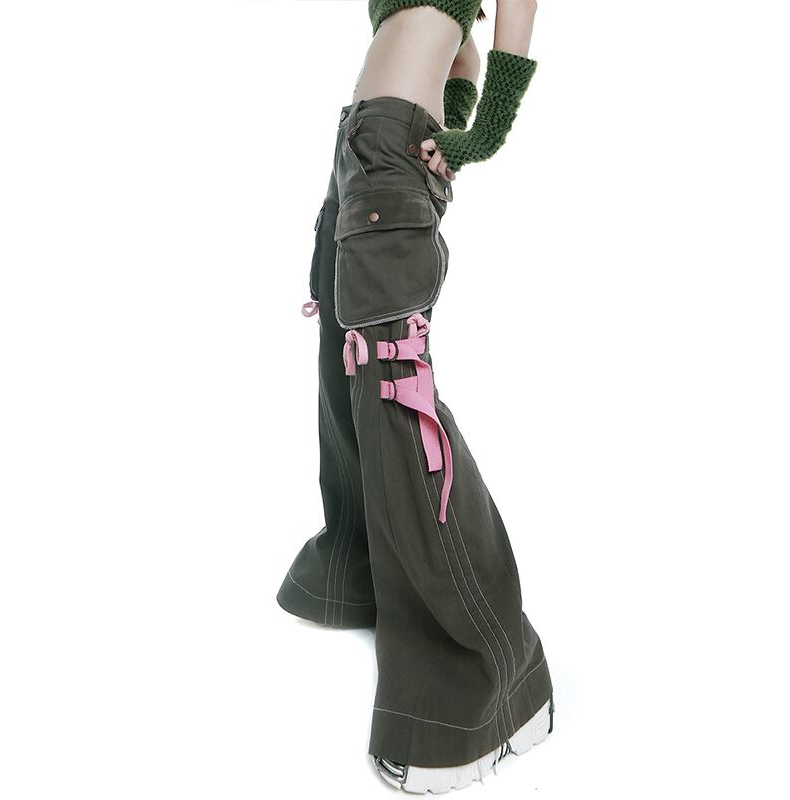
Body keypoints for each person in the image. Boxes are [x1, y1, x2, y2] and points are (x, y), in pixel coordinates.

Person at [276, 0, 554, 792]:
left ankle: (488, 680)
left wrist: (483, 127)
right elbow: (459, 53)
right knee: (343, 372)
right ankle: (364, 569)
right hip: (362, 148)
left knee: (396, 398)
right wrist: (447, 118)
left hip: (386, 152)